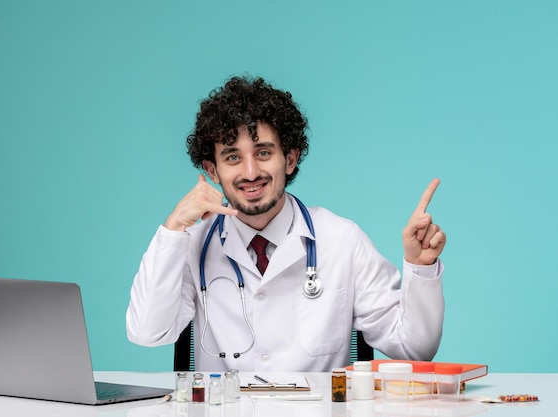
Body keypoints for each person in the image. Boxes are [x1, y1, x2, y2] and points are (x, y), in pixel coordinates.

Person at [126, 75, 446, 372]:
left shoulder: (342, 240)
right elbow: (147, 333)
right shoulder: (192, 244)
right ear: (212, 171)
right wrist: (173, 227)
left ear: (290, 160)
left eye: (263, 152)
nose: (250, 172)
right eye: (233, 157)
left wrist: (420, 269)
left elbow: (413, 350)